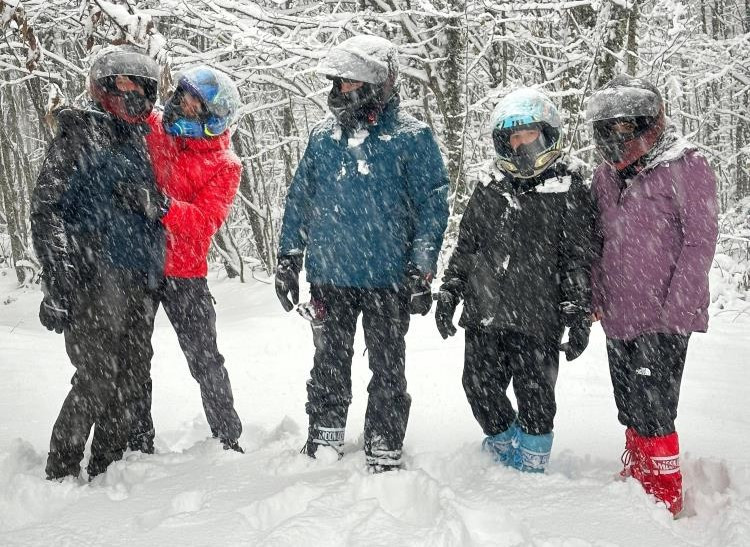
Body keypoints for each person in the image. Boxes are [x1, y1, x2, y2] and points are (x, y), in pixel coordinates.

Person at [275, 35, 450, 472]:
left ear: (378, 83)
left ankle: (384, 438)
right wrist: (288, 257)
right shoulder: (323, 137)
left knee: (388, 364)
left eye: (351, 84)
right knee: (329, 360)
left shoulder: (411, 136)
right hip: (330, 275)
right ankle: (326, 431)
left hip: (389, 277)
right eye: (338, 83)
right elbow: (300, 199)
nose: (341, 92)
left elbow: (433, 203)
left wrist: (422, 266)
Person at [435, 88, 595, 473]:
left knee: (536, 397)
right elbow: (468, 246)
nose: (519, 144)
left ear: (547, 135)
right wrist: (451, 289)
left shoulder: (568, 187)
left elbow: (577, 256)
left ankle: (531, 473)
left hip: (538, 315)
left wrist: (579, 310)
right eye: (512, 137)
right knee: (478, 387)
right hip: (485, 310)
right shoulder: (490, 186)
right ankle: (505, 449)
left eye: (528, 135)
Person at [586, 75, 719, 515]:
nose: (619, 137)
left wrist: (678, 307)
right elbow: (596, 241)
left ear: (649, 123)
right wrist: (595, 295)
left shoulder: (686, 165)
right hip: (618, 309)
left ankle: (665, 487)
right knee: (628, 399)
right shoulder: (604, 176)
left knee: (657, 403)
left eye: (627, 127)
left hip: (664, 311)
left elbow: (700, 239)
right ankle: (640, 467)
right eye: (611, 128)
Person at [31, 46, 164, 480]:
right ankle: (62, 468)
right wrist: (58, 279)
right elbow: (45, 209)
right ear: (102, 89)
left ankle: (107, 465)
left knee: (131, 377)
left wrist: (153, 205)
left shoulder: (145, 139)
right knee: (97, 377)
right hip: (91, 277)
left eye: (139, 86)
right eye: (121, 85)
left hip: (139, 279)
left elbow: (164, 202)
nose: (131, 94)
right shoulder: (77, 134)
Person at [122, 65, 245, 453]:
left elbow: (205, 221)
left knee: (205, 358)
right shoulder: (156, 126)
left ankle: (228, 437)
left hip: (184, 272)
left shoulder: (226, 165)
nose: (183, 103)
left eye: (194, 101)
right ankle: (138, 442)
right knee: (134, 358)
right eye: (183, 94)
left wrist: (163, 207)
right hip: (139, 263)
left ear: (212, 115)